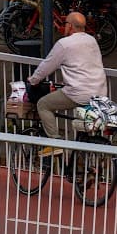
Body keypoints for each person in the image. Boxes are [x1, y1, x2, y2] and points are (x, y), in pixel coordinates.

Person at [25, 11, 107, 157]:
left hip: (79, 93)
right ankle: (82, 157)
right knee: (81, 122)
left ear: (69, 26)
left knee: (43, 104)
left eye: (65, 24)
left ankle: (55, 142)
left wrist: (33, 80)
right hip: (99, 91)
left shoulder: (64, 44)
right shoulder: (91, 40)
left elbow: (46, 66)